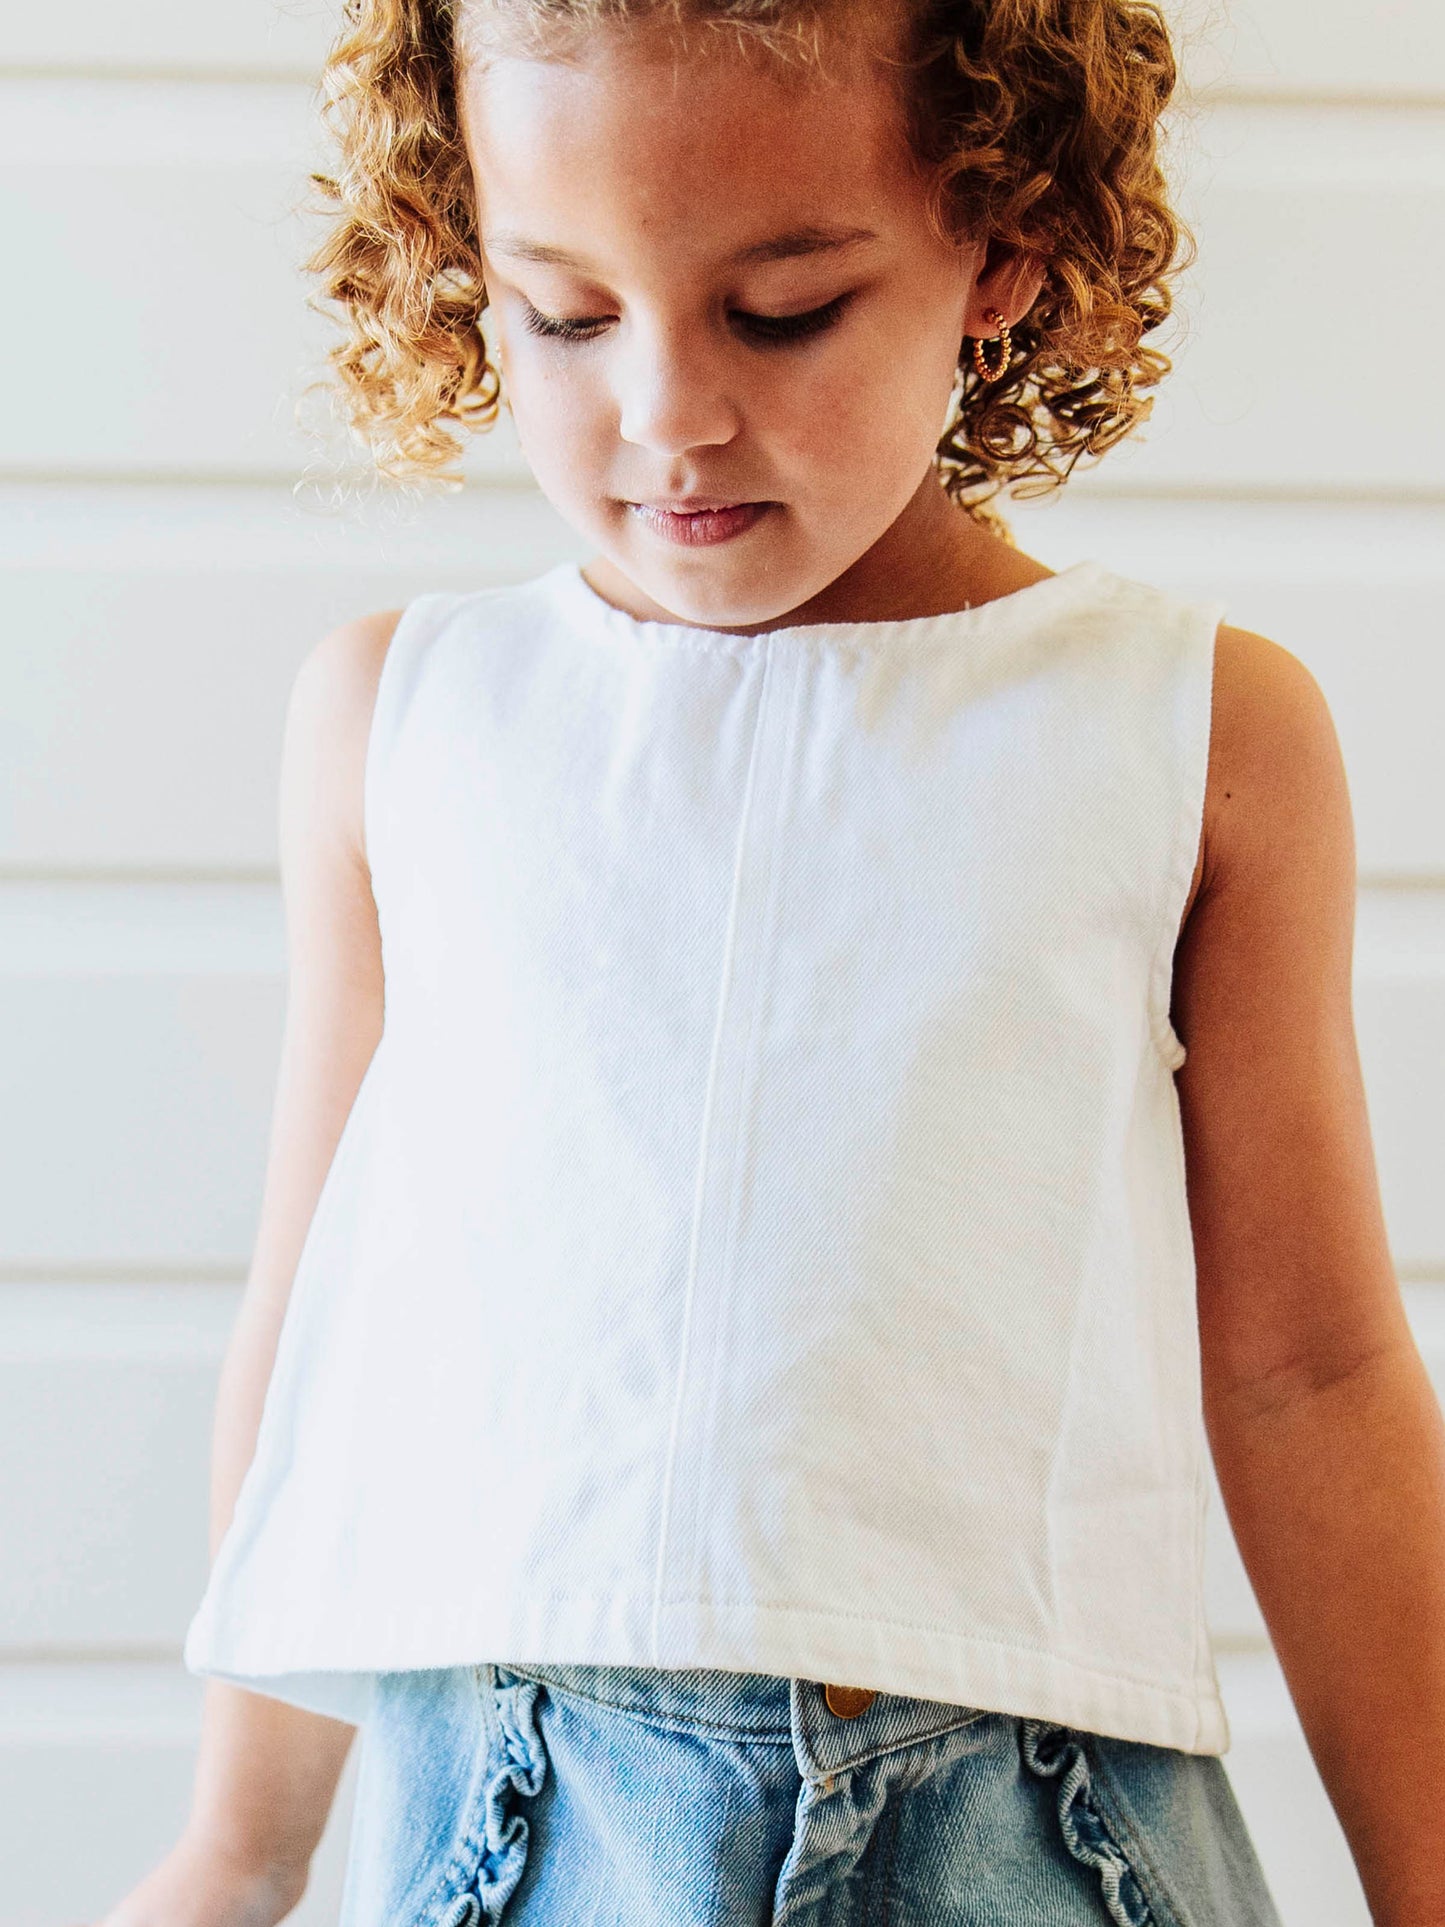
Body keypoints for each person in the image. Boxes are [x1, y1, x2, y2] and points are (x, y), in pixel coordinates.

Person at [95, 0, 1445, 1923]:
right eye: (563, 313)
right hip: (510, 1816)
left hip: (1031, 1835)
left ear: (1002, 248)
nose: (661, 414)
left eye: (783, 308)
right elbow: (330, 1320)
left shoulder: (1190, 727)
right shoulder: (408, 714)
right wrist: (240, 1842)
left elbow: (1312, 1373)